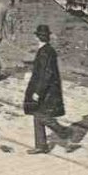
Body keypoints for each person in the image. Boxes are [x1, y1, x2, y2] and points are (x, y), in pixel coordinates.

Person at [24, 25, 65, 154]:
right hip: (50, 88)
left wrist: (38, 92)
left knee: (40, 115)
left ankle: (62, 131)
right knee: (37, 115)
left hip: (46, 90)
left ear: (37, 37)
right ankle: (41, 145)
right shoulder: (48, 50)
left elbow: (45, 74)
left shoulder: (44, 52)